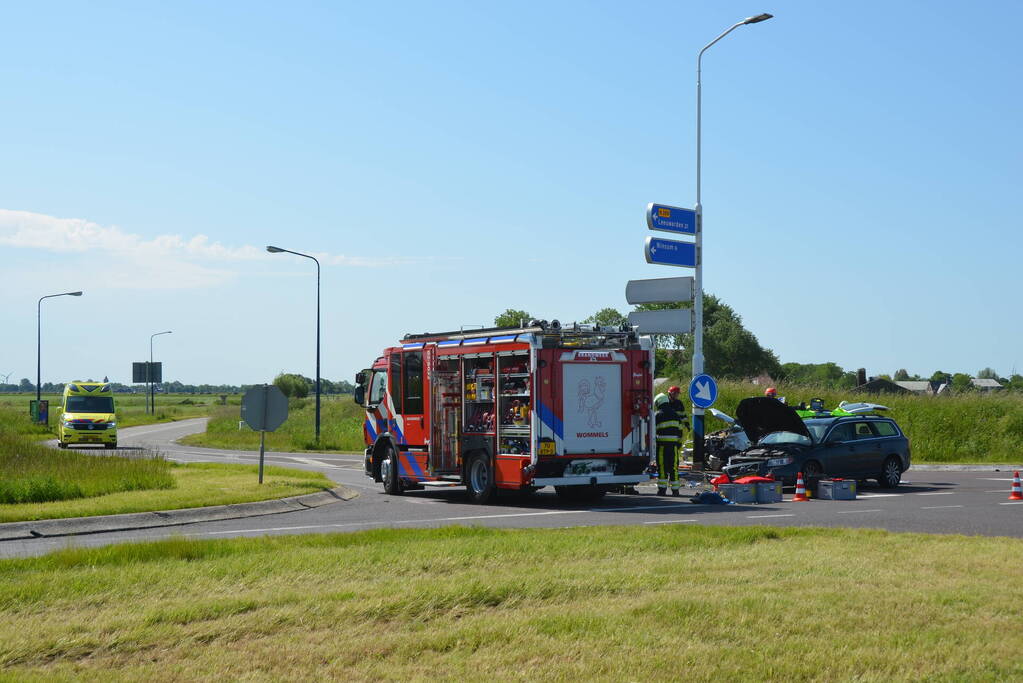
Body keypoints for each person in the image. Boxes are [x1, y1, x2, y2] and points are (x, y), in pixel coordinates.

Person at [654, 386, 689, 496]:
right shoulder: (675, 414)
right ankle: (675, 490)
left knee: (662, 467)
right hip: (674, 446)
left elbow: (652, 431)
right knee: (674, 467)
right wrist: (678, 444)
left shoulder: (657, 415)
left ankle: (662, 490)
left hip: (662, 446)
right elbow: (680, 431)